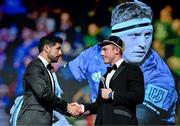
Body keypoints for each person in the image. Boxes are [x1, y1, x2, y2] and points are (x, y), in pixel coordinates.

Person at [58, 1, 178, 125]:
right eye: (134, 35)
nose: (143, 44)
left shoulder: (159, 75)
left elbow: (139, 118)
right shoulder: (95, 55)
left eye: (147, 35)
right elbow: (59, 79)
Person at [73, 36, 144, 125]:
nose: (101, 53)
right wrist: (82, 107)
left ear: (117, 50)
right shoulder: (105, 76)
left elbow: (138, 96)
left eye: (105, 49)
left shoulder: (132, 70)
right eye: (101, 50)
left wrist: (112, 94)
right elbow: (99, 105)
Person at [16, 35, 78, 125]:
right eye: (58, 49)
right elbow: (43, 94)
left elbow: (48, 101)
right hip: (33, 121)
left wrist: (68, 110)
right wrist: (67, 106)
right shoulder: (34, 67)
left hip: (43, 120)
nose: (60, 53)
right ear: (46, 48)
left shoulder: (47, 69)